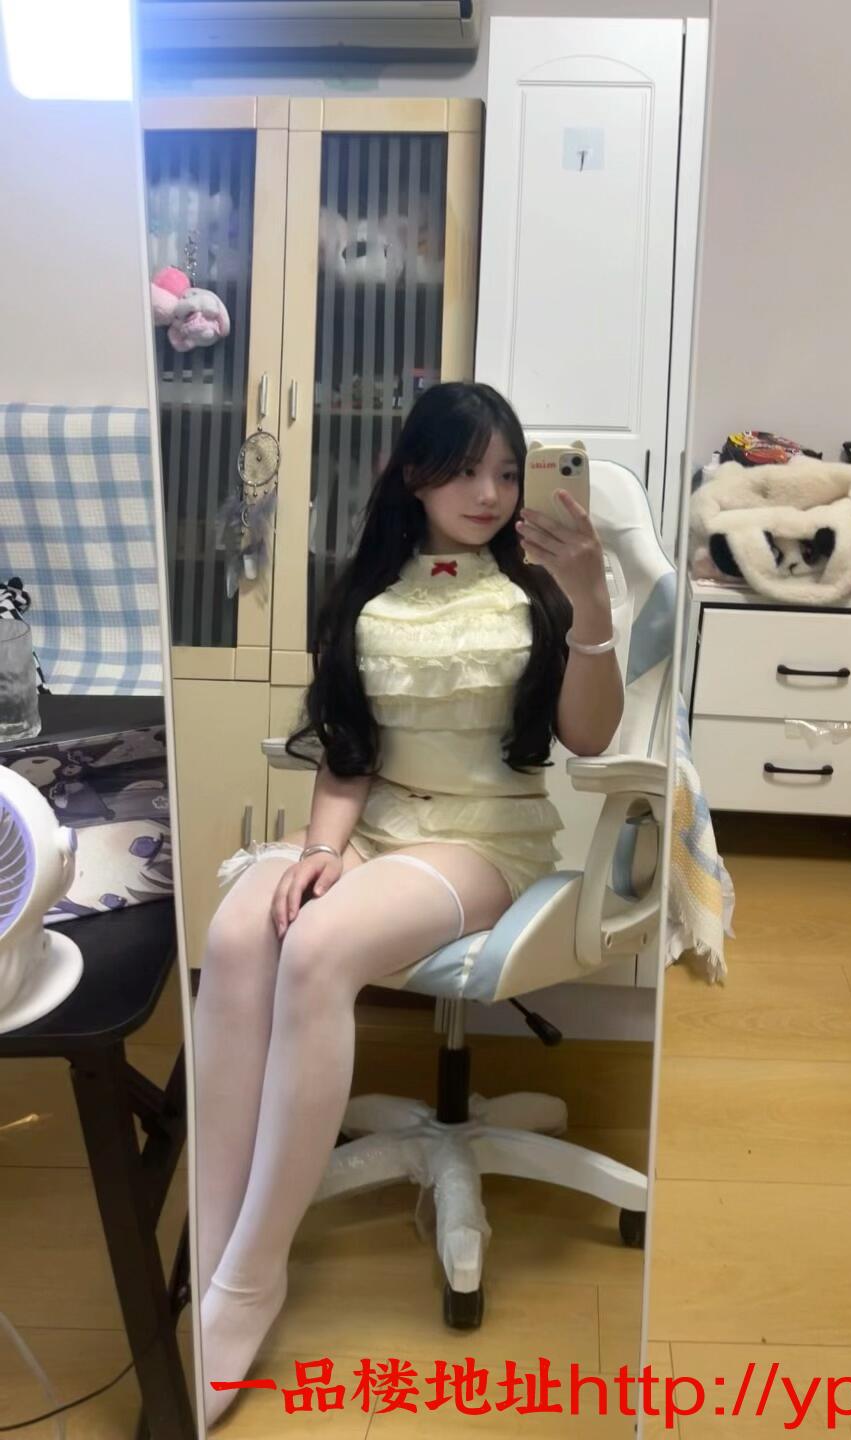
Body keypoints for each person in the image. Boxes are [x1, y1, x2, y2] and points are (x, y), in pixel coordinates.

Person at [192, 381, 624, 1426]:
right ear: (415, 474)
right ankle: (207, 1248)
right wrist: (318, 850)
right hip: (374, 829)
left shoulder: (539, 594)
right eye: (466, 469)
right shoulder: (367, 596)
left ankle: (252, 1276)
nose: (489, 492)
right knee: (241, 928)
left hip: (481, 838)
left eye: (507, 472)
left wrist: (592, 601)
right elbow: (350, 752)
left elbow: (591, 737)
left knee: (318, 948)